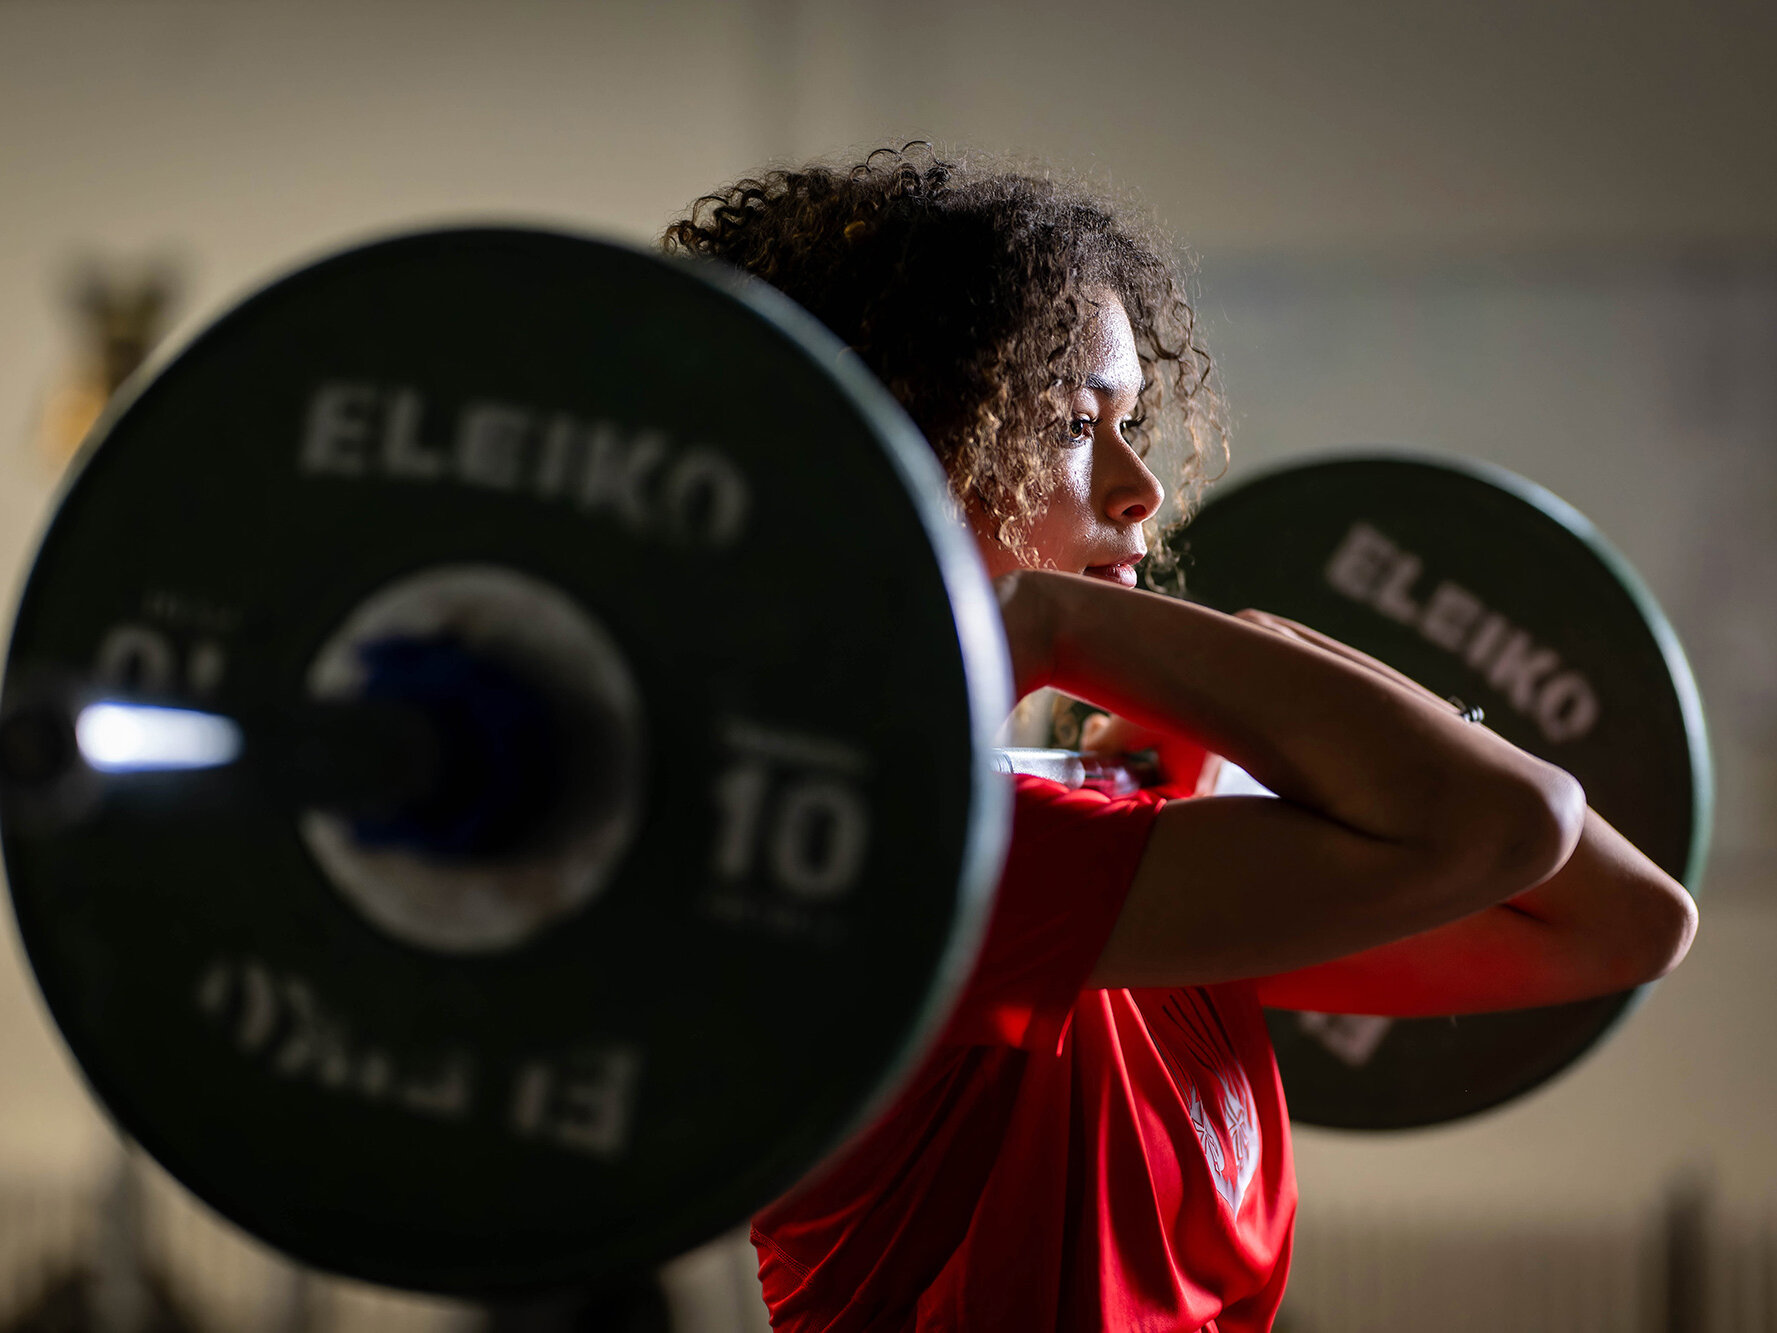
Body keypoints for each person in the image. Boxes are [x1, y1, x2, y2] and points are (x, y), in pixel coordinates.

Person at [662, 145, 1698, 1333]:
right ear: (885, 456)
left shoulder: (1100, 855)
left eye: (1132, 420)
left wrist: (1248, 646)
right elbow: (1508, 825)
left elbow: (1629, 921)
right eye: (1067, 422)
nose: (1138, 483)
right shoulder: (906, 854)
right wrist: (1059, 623)